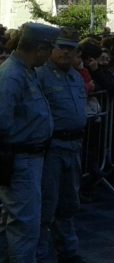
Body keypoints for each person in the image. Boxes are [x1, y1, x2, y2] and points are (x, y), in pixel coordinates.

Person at [0, 23, 57, 262]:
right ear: (40, 49)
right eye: (50, 50)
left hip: (30, 157)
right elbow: (2, 121)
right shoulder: (12, 75)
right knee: (25, 225)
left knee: (21, 221)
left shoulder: (25, 70)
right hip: (20, 159)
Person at [36, 28, 87, 263]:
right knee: (47, 205)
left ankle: (69, 251)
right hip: (52, 148)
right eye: (62, 47)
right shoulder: (39, 76)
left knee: (69, 204)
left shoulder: (75, 76)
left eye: (71, 48)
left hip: (74, 145)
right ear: (51, 49)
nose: (66, 52)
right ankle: (42, 255)